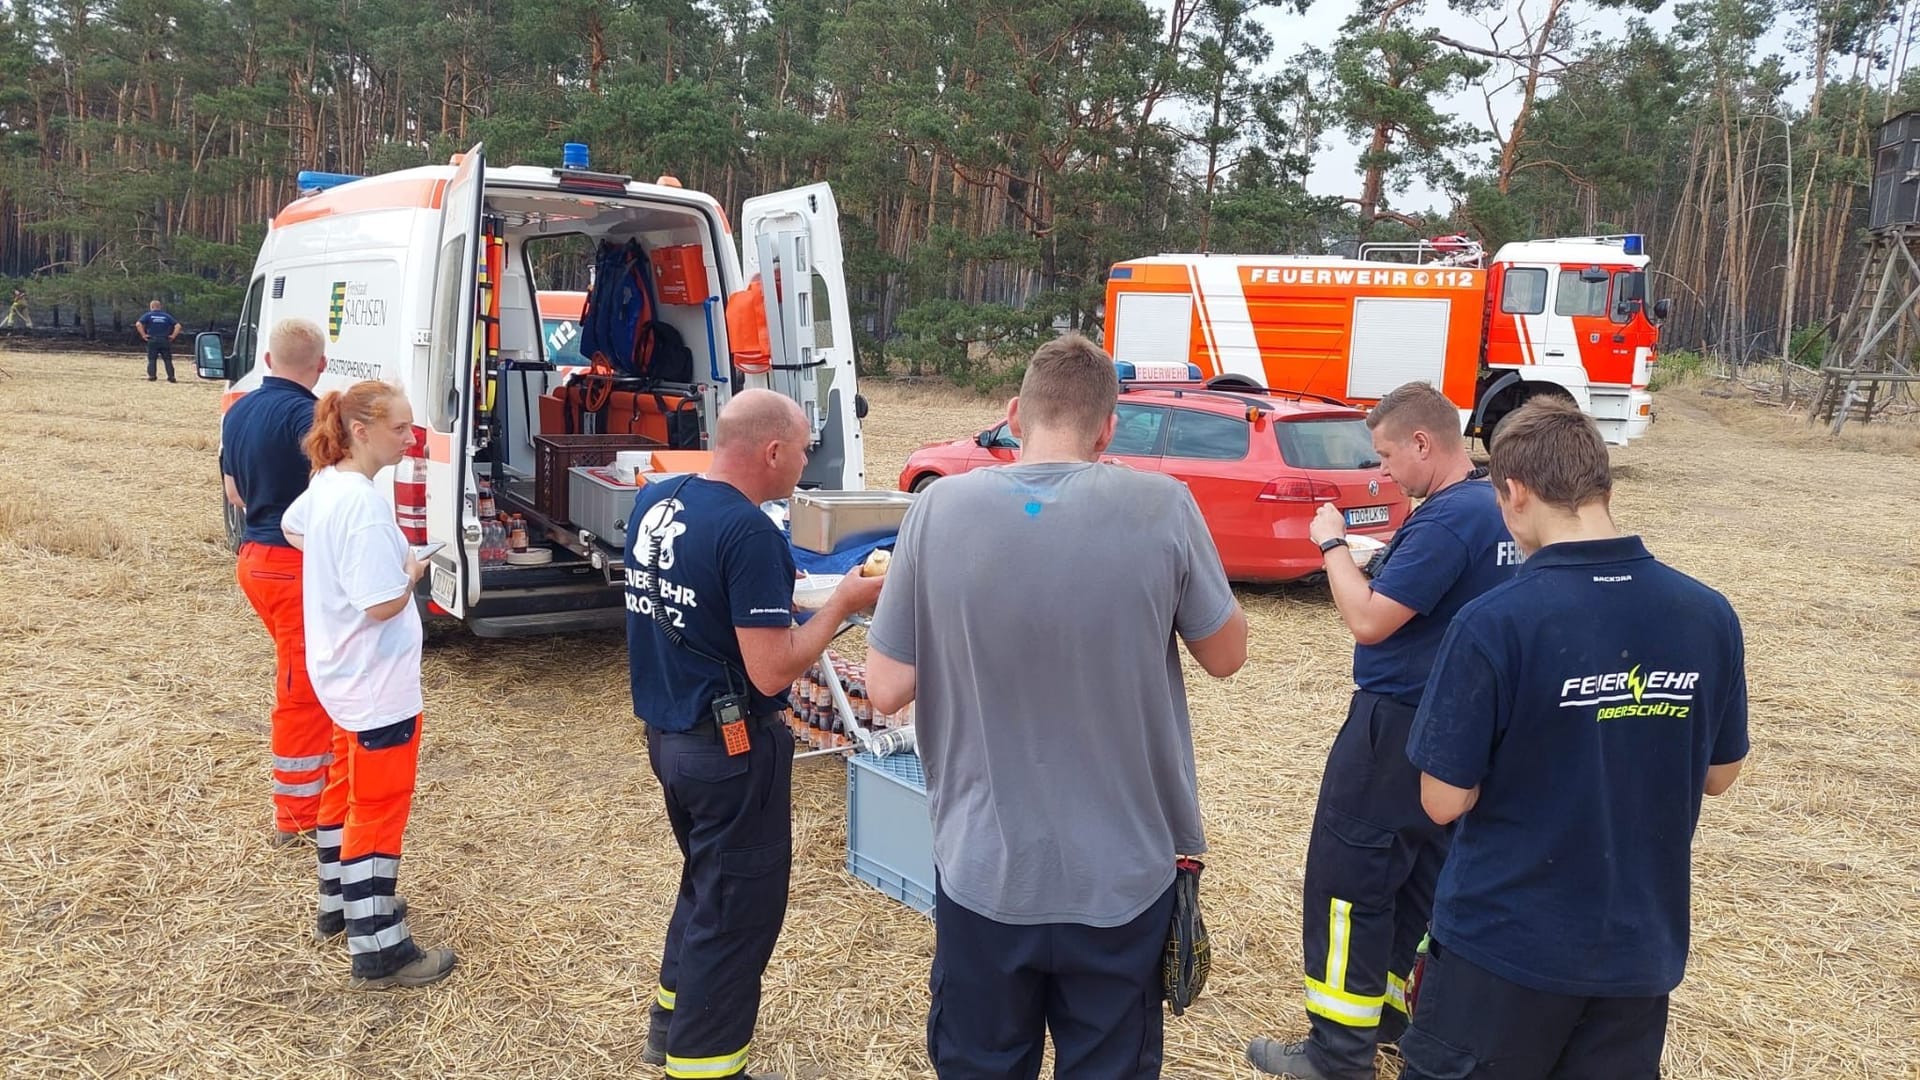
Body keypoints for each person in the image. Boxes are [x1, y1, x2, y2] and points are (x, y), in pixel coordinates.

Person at [865, 333, 1250, 1080]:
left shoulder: (938, 508)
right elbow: (1226, 656)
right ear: (1109, 428)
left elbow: (884, 689)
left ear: (1014, 415)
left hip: (985, 870)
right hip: (1121, 878)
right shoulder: (1163, 506)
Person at [1397, 399, 1748, 1080]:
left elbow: (1442, 800)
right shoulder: (1707, 614)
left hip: (1503, 949)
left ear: (1516, 492)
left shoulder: (1495, 622)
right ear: (1602, 486)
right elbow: (1720, 773)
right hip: (1638, 951)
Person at [1246, 381, 1518, 1080]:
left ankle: (1337, 1053)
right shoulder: (1497, 510)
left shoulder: (1448, 518)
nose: (1385, 472)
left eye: (1389, 455)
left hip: (1393, 725)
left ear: (1424, 443)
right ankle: (1392, 1018)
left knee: (1347, 883)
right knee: (1419, 880)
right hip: (1457, 730)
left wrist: (1333, 544)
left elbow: (1369, 620)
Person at [628, 388, 884, 1080]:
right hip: (729, 749)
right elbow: (771, 672)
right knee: (738, 913)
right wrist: (842, 604)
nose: (805, 462)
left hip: (670, 734)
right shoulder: (748, 533)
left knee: (707, 884)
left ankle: (668, 1023)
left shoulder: (660, 500)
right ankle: (704, 1064)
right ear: (773, 452)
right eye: (803, 449)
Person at [282, 380, 457, 989]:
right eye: (403, 428)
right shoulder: (358, 504)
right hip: (375, 684)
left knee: (343, 792)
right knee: (378, 815)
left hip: (342, 675)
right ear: (362, 430)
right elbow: (381, 602)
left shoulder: (327, 485)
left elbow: (293, 527)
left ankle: (340, 900)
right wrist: (408, 570)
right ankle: (379, 946)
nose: (412, 439)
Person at [221, 318, 332, 845]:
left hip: (253, 556)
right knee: (301, 688)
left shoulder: (238, 409)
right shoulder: (310, 417)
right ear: (322, 366)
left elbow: (234, 491)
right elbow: (327, 498)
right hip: (292, 564)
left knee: (304, 675)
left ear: (267, 360)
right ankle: (296, 816)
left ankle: (319, 790)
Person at [136, 299, 182, 382]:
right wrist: (173, 336)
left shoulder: (148, 315)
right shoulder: (166, 316)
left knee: (152, 359)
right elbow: (178, 326)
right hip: (164, 340)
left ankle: (152, 376)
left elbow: (138, 324)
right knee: (167, 359)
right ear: (160, 307)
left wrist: (143, 335)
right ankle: (171, 377)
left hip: (152, 339)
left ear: (151, 307)